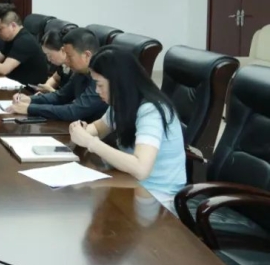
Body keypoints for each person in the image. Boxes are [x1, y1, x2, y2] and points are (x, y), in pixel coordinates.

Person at [69, 46, 186, 209]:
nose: (97, 90)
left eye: (100, 85)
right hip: (131, 183)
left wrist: (90, 142)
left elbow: (141, 168)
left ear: (118, 83)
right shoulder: (124, 103)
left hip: (158, 197)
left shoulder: (151, 111)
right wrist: (81, 130)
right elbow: (99, 128)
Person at [11, 28, 107, 122]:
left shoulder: (102, 78)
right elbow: (60, 96)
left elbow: (73, 111)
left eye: (69, 56)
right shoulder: (80, 72)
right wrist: (30, 100)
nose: (66, 61)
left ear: (86, 55)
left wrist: (29, 108)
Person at [0, 8, 47, 85]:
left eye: (0, 29)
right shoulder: (11, 38)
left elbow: (5, 69)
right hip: (15, 82)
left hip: (29, 88)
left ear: (13, 25)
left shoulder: (24, 41)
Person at [36, 29, 72, 93]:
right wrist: (45, 88)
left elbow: (73, 97)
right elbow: (55, 79)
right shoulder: (63, 65)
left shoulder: (77, 70)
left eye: (49, 55)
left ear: (63, 50)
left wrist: (51, 91)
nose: (48, 59)